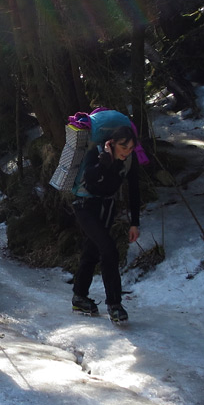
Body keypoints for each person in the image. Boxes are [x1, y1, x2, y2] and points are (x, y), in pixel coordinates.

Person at [71, 126, 141, 325]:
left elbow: (134, 190)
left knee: (92, 250)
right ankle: (114, 304)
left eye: (130, 148)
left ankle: (79, 296)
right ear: (111, 143)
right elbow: (90, 177)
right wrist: (105, 162)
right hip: (85, 207)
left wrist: (134, 222)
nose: (126, 151)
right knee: (109, 249)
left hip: (107, 207)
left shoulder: (129, 160)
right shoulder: (97, 153)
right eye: (123, 146)